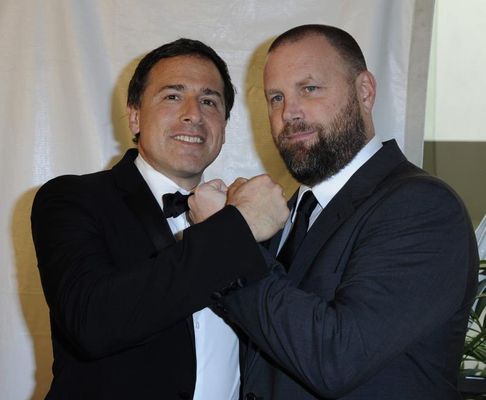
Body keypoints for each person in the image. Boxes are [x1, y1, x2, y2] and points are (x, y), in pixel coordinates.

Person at [189, 25, 479, 399]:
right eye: (276, 97)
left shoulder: (421, 206)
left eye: (309, 88)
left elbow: (336, 358)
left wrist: (227, 239)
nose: (289, 112)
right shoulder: (282, 214)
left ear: (365, 91)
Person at [30, 38, 288, 399]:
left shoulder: (249, 217)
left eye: (209, 101)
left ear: (225, 125)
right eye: (172, 96)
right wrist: (233, 229)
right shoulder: (72, 199)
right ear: (135, 115)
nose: (193, 114)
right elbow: (92, 323)